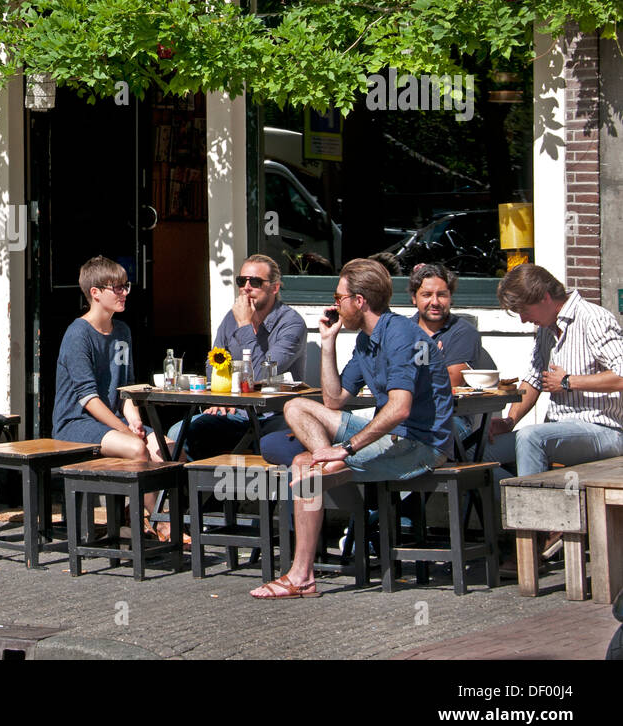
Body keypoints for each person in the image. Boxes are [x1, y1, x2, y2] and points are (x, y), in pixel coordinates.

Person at [251, 258, 452, 598]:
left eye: (339, 297)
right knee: (296, 407)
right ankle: (304, 572)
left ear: (359, 301)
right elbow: (333, 401)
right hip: (391, 438)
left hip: (421, 444)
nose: (335, 304)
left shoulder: (402, 336)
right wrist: (327, 343)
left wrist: (345, 449)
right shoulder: (366, 340)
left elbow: (400, 409)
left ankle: (301, 577)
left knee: (305, 468)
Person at [52, 256, 166, 524]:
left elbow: (125, 388)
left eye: (126, 287)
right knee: (138, 449)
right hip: (76, 422)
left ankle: (135, 513)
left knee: (167, 448)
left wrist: (135, 420)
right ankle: (162, 523)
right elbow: (88, 398)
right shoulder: (78, 334)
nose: (124, 293)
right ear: (95, 293)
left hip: (114, 421)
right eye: (117, 288)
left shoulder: (123, 331)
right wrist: (125, 430)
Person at [486, 263, 623, 478]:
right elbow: (533, 379)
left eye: (524, 310)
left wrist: (568, 381)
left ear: (544, 297)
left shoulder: (594, 319)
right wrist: (509, 422)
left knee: (531, 438)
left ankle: (532, 510)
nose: (523, 319)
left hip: (604, 430)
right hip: (559, 429)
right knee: (479, 454)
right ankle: (512, 507)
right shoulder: (545, 328)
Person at [170, 254, 307, 461]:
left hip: (274, 415)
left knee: (271, 444)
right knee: (178, 434)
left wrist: (245, 326)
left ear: (275, 288)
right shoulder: (230, 318)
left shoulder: (291, 324)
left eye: (256, 282)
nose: (246, 287)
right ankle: (191, 493)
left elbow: (262, 374)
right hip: (236, 414)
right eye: (242, 281)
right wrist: (220, 397)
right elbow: (213, 362)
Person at [408, 262, 492, 389]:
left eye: (441, 295)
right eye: (427, 295)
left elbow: (452, 381)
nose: (435, 302)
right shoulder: (400, 330)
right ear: (414, 298)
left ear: (450, 297)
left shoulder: (464, 332)